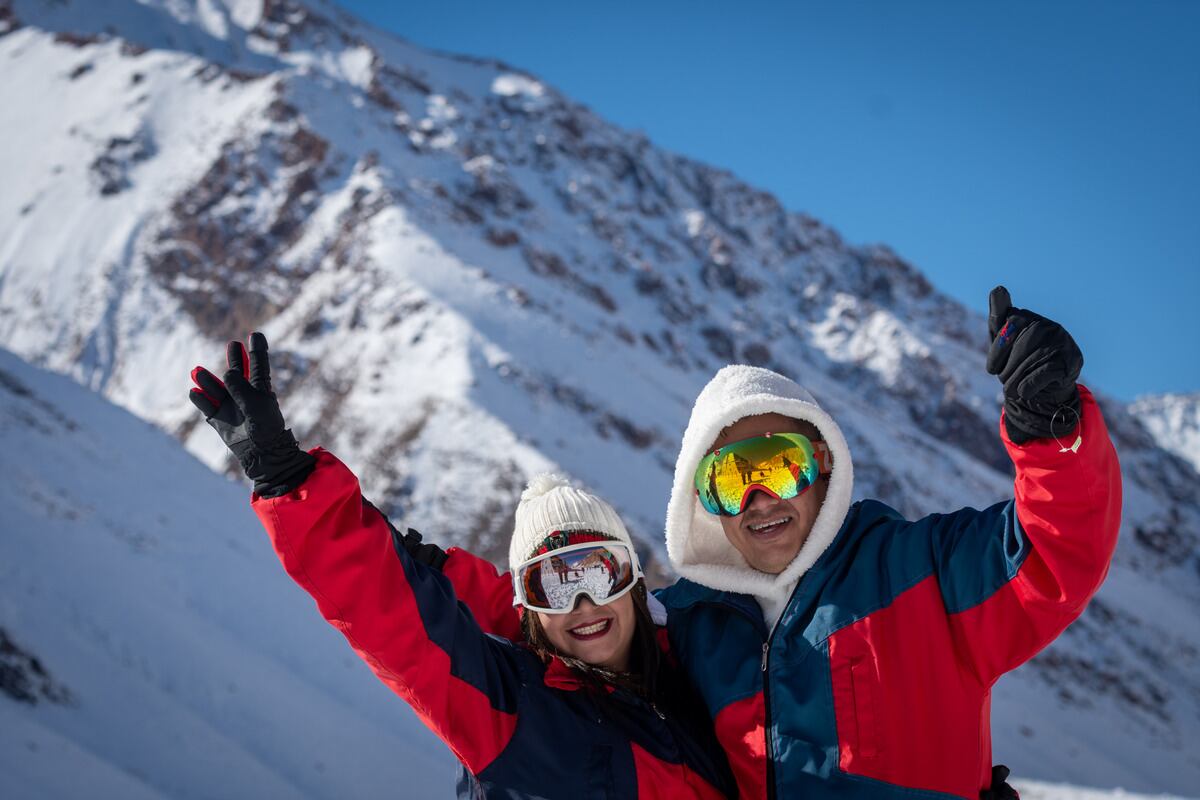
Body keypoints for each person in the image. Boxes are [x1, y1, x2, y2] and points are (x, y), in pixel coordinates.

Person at [430, 287, 1114, 798]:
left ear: (820, 461)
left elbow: (1054, 549)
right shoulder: (692, 626)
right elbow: (579, 621)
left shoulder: (920, 572)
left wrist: (1049, 430)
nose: (759, 498)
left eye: (777, 464)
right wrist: (440, 580)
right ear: (702, 500)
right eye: (731, 478)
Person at [188, 335, 735, 799]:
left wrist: (419, 563)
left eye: (598, 571)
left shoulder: (694, 661)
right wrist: (290, 484)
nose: (582, 603)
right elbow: (397, 624)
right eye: (553, 585)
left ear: (635, 580)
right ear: (530, 609)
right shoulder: (513, 713)